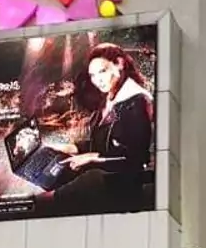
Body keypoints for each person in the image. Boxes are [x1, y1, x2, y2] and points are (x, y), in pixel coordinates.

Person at [46, 42, 154, 213]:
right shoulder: (109, 98)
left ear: (119, 64)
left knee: (52, 199)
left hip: (124, 184)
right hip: (102, 175)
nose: (98, 80)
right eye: (93, 75)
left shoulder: (137, 101)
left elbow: (136, 158)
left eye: (102, 72)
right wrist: (72, 147)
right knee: (52, 179)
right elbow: (101, 142)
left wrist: (92, 157)